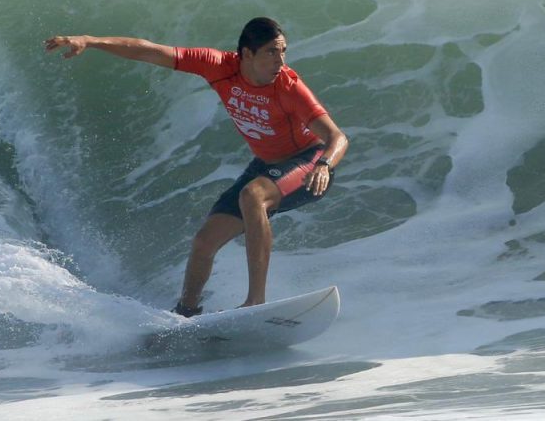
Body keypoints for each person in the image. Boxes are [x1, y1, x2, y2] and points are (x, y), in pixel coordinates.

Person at [44, 17, 348, 316]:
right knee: (205, 241)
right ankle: (185, 314)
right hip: (267, 167)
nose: (280, 60)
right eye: (271, 51)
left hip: (308, 165)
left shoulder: (288, 87)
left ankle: (256, 302)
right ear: (247, 54)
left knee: (253, 196)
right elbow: (149, 50)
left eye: (283, 51)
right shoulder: (218, 67)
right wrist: (91, 41)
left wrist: (323, 165)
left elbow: (337, 137)